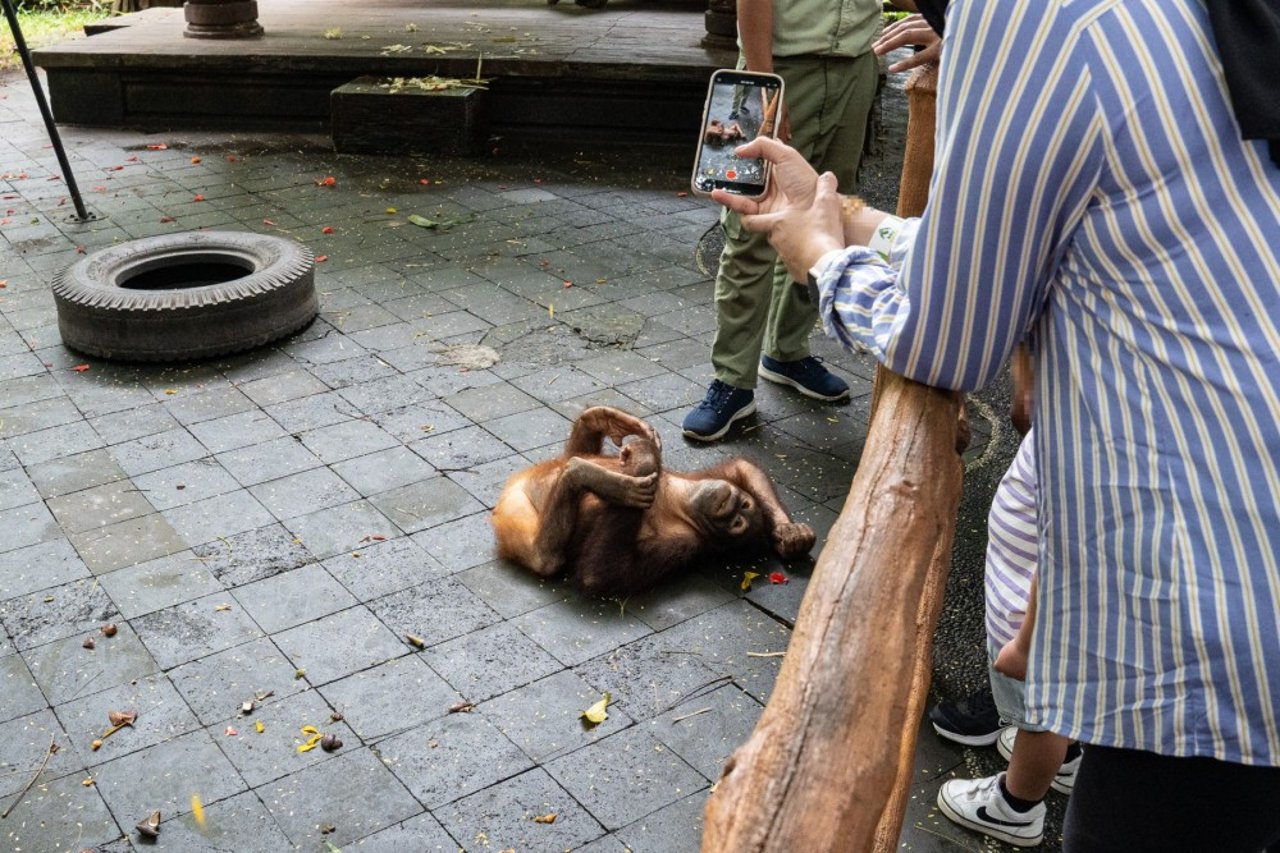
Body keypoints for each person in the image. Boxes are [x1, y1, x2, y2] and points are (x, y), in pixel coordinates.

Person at [712, 0, 1280, 847]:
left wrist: (822, 258)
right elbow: (1042, 237)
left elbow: (944, 339)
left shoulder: (1032, 11)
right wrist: (845, 216)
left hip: (1204, 625)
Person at [680, 0, 882, 441]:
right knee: (751, 223)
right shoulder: (768, 79)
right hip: (780, 67)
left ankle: (787, 351)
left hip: (854, 65)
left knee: (826, 215)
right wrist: (763, 84)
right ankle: (732, 381)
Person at [935, 431, 1082, 848]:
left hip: (1032, 621)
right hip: (1029, 602)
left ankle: (1016, 807)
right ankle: (1066, 761)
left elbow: (1064, 555)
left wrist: (1027, 644)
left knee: (1040, 717)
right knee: (1052, 710)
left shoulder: (1090, 428)